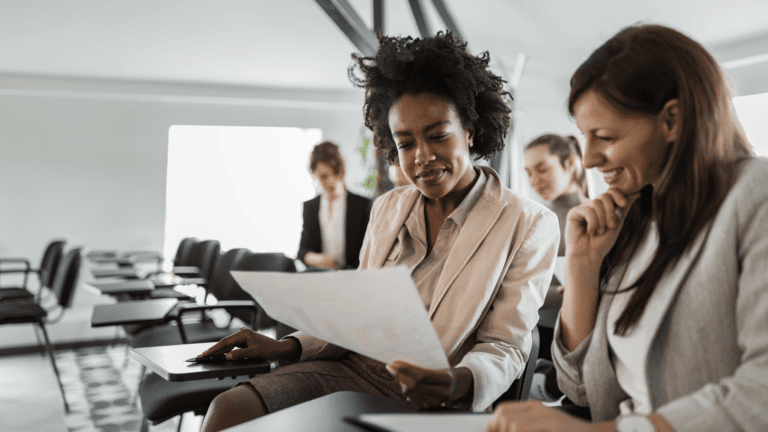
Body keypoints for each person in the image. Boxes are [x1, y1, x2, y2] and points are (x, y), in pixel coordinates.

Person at [198, 31, 559, 432]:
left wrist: (459, 381)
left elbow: (506, 345)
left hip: (436, 393)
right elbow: (358, 316)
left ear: (470, 131)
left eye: (438, 135)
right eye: (405, 143)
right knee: (228, 410)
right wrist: (288, 344)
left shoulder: (528, 223)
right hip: (353, 368)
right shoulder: (388, 208)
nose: (421, 157)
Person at [487, 24, 766, 432]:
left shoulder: (753, 195)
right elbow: (580, 388)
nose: (588, 160)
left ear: (672, 119)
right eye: (585, 137)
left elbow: (760, 393)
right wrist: (583, 264)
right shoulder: (637, 219)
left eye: (604, 136)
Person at [523, 134, 590, 402]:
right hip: (533, 340)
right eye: (528, 172)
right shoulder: (535, 218)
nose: (534, 180)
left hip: (571, 345)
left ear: (571, 163)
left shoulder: (594, 216)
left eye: (542, 168)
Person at [297, 141, 372, 270]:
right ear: (314, 174)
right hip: (321, 278)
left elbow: (371, 251)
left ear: (341, 171)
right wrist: (318, 259)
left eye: (335, 174)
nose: (330, 181)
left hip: (354, 278)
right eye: (323, 176)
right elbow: (302, 252)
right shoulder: (311, 208)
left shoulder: (362, 205)